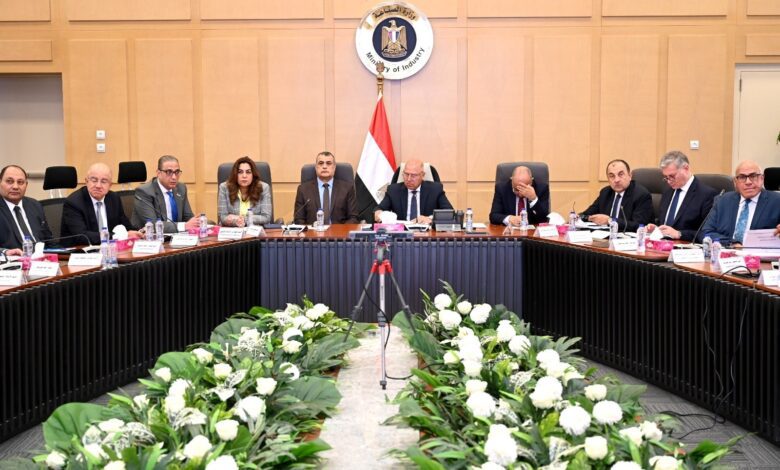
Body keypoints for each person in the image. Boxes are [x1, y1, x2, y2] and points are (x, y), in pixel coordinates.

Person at [700, 160, 780, 246]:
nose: (748, 182)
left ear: (762, 178)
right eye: (742, 177)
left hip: (761, 253)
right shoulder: (723, 200)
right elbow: (706, 232)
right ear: (735, 182)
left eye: (753, 176)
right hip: (727, 252)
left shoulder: (777, 201)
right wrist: (732, 243)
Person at [60, 162, 142, 245]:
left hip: (110, 248)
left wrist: (140, 232)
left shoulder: (114, 198)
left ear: (110, 185)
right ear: (86, 181)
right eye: (94, 180)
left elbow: (126, 226)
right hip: (80, 249)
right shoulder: (74, 203)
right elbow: (82, 236)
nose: (98, 186)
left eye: (104, 181)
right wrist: (117, 236)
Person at [646, 151, 718, 241]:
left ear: (686, 168)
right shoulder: (667, 192)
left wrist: (679, 234)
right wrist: (656, 228)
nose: (669, 181)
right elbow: (666, 223)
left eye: (672, 176)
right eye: (666, 177)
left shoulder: (707, 195)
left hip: (686, 246)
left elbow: (707, 233)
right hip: (662, 244)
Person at [580, 159, 653, 232]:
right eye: (612, 176)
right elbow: (586, 214)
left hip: (627, 237)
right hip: (605, 236)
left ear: (630, 175)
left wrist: (610, 220)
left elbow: (639, 225)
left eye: (621, 174)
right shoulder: (605, 192)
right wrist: (581, 217)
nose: (616, 180)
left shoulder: (641, 195)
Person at [131, 155, 198, 233]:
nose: (174, 177)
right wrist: (184, 226)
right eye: (169, 172)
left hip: (177, 236)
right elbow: (153, 225)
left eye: (177, 172)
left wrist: (197, 222)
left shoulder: (181, 188)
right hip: (149, 237)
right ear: (158, 173)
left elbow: (188, 217)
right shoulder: (144, 191)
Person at [374, 159, 453, 224]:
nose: (409, 179)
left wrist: (430, 219)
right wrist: (379, 214)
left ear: (422, 175)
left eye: (413, 175)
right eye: (406, 174)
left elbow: (449, 213)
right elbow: (379, 209)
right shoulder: (393, 190)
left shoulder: (435, 189)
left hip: (426, 234)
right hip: (402, 234)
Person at [294, 151, 359, 225]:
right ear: (316, 167)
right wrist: (311, 230)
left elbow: (353, 218)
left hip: (339, 231)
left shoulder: (347, 189)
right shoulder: (303, 190)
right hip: (313, 231)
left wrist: (340, 230)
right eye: (321, 163)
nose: (324, 166)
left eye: (328, 163)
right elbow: (299, 219)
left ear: (334, 167)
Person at [0, 165, 54, 249]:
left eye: (20, 182)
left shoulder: (35, 205)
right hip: (13, 257)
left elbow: (49, 241)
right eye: (9, 181)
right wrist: (4, 252)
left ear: (26, 185)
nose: (15, 187)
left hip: (42, 255)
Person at [217, 157, 272, 226]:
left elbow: (266, 217)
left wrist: (241, 219)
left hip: (255, 229)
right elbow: (223, 217)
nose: (244, 176)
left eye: (248, 172)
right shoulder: (224, 188)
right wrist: (236, 222)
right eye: (240, 172)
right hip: (232, 230)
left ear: (253, 174)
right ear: (235, 174)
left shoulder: (263, 188)